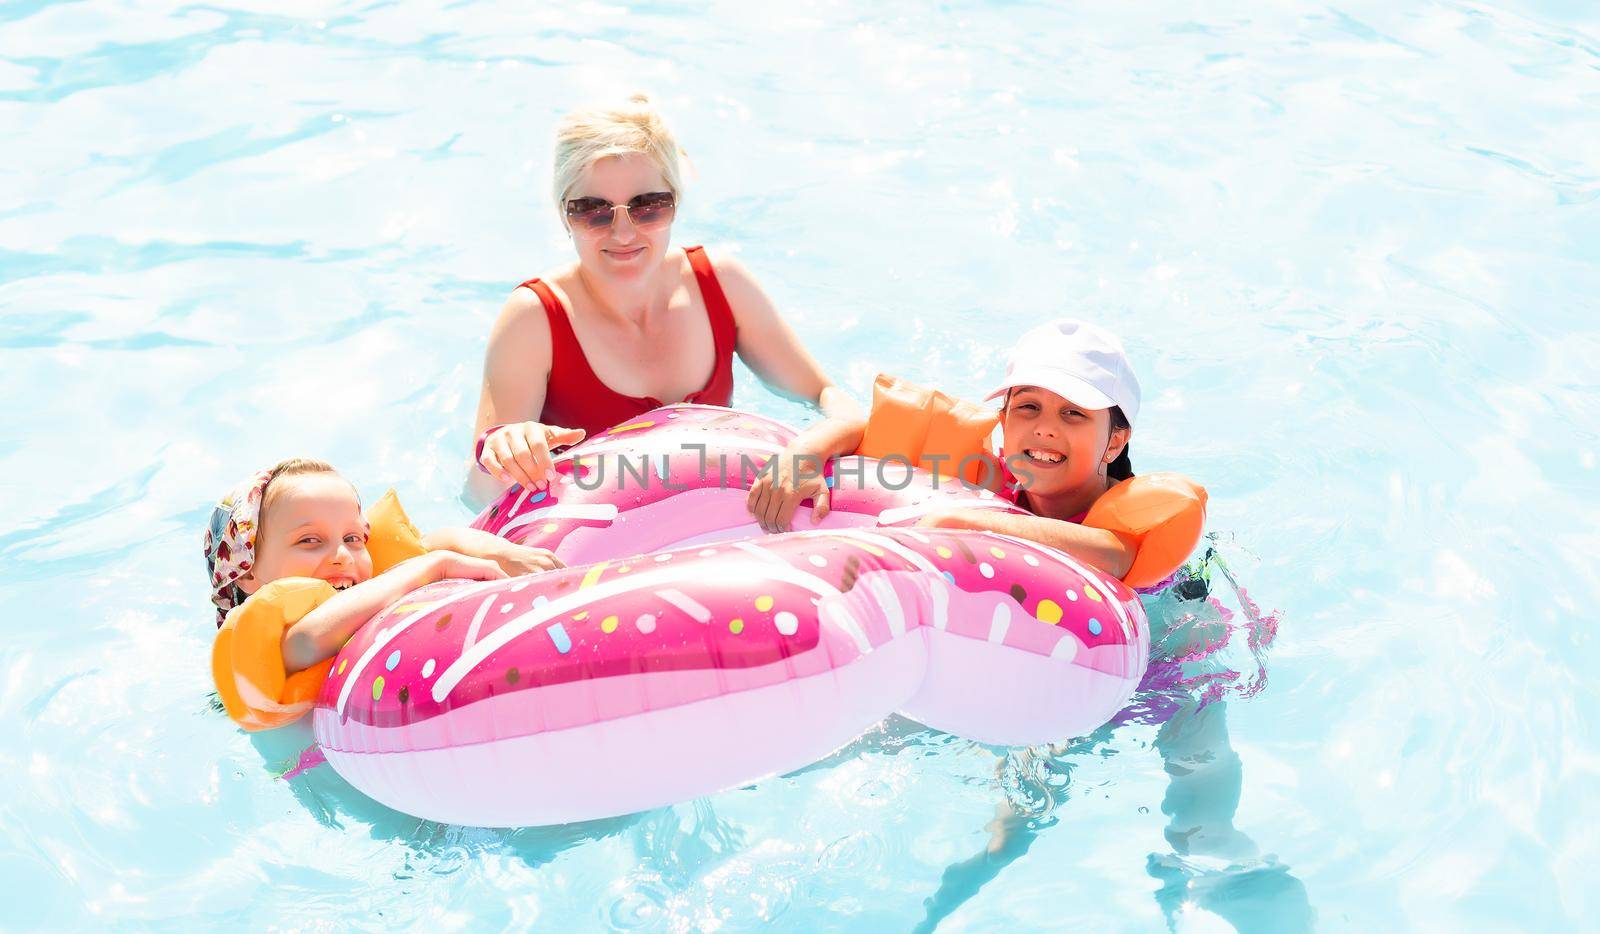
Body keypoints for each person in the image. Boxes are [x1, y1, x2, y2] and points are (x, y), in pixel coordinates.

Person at [467, 94, 857, 505]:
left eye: (648, 206)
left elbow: (825, 397)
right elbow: (478, 498)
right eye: (593, 211)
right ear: (564, 214)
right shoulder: (536, 319)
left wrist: (810, 448)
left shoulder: (721, 285)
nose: (623, 234)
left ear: (675, 202)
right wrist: (505, 450)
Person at [747, 319, 1204, 587]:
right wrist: (803, 454)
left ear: (1116, 441)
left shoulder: (1126, 523)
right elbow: (867, 428)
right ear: (1003, 421)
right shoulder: (985, 478)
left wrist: (965, 523)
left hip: (1164, 656)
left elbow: (1121, 554)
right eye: (1027, 407)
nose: (1045, 429)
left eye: (1073, 414)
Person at [205, 458, 561, 677]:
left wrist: (504, 553)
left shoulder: (374, 582)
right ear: (247, 573)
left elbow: (440, 540)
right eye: (309, 541)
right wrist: (436, 567)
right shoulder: (271, 644)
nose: (342, 555)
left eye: (353, 538)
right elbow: (307, 641)